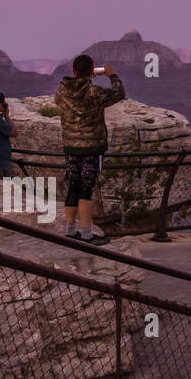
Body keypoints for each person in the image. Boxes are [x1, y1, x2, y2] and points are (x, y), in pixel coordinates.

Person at [55, 55, 125, 245]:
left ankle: (70, 231)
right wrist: (112, 75)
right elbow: (118, 94)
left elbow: (58, 104)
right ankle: (86, 234)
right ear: (92, 70)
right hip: (92, 148)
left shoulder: (61, 90)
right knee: (86, 187)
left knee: (73, 185)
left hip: (71, 147)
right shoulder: (95, 91)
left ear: (73, 70)